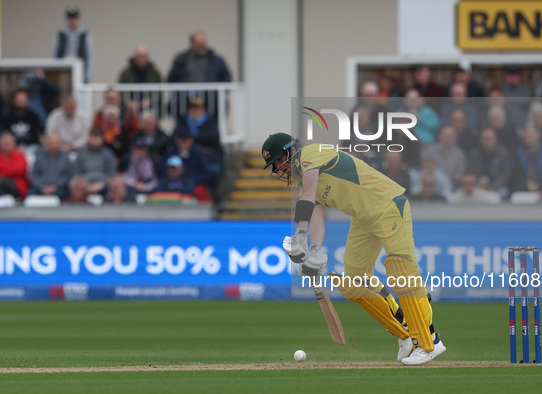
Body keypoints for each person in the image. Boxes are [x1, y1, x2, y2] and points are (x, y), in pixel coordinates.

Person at [262, 132, 446, 365]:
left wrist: (299, 236)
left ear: (291, 151)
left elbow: (307, 197)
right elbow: (316, 214)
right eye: (274, 165)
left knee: (402, 272)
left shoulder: (312, 154)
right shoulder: (303, 180)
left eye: (279, 160)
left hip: (388, 205)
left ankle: (429, 342)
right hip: (364, 219)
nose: (278, 167)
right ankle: (405, 336)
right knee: (354, 283)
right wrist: (314, 251)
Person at [167, 30, 232, 83]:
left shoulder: (217, 60)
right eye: (198, 44)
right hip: (185, 97)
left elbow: (226, 78)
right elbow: (172, 79)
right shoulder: (180, 60)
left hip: (211, 97)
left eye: (203, 43)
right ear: (192, 43)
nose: (201, 46)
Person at [467, 128, 512, 200]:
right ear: (480, 141)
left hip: (497, 186)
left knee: (503, 193)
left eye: (489, 139)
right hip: (477, 186)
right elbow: (470, 172)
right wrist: (477, 184)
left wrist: (493, 187)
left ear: (496, 139)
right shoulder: (474, 154)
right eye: (485, 139)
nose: (487, 141)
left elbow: (505, 175)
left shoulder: (503, 153)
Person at [52, 7, 94, 82]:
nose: (72, 21)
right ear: (67, 19)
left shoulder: (85, 34)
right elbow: (55, 52)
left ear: (79, 18)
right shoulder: (61, 34)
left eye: (74, 18)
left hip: (79, 66)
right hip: (63, 66)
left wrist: (88, 74)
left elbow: (89, 54)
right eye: (70, 18)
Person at [118, 44, 163, 110]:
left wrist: (150, 100)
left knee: (151, 115)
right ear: (135, 57)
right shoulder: (126, 73)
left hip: (150, 106)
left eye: (144, 56)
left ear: (148, 57)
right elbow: (119, 89)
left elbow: (160, 91)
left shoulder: (154, 73)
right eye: (139, 56)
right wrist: (128, 102)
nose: (141, 59)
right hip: (129, 106)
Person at [29, 133, 73, 200]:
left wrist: (54, 187)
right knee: (31, 194)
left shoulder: (65, 158)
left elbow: (67, 176)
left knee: (65, 193)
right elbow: (34, 175)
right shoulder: (39, 157)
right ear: (46, 144)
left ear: (60, 144)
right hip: (41, 188)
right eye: (51, 143)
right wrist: (42, 187)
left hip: (59, 188)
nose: (53, 145)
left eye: (55, 143)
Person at [74, 128, 117, 195]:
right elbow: (76, 172)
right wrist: (85, 185)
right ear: (88, 138)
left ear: (102, 139)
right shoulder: (81, 153)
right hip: (84, 185)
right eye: (92, 137)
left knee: (115, 185)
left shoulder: (108, 154)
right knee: (76, 188)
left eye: (97, 138)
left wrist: (101, 184)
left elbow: (112, 174)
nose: (94, 140)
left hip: (104, 186)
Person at [512, 128, 542, 193]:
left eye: (531, 137)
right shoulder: (518, 153)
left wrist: (539, 185)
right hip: (523, 188)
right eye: (526, 137)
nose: (528, 140)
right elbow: (517, 174)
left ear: (538, 136)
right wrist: (527, 184)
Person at [0, 131, 28, 199]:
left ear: (14, 144)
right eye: (5, 143)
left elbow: (20, 170)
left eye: (8, 143)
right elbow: (13, 170)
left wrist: (3, 173)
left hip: (17, 186)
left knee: (2, 181)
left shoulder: (20, 155)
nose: (7, 145)